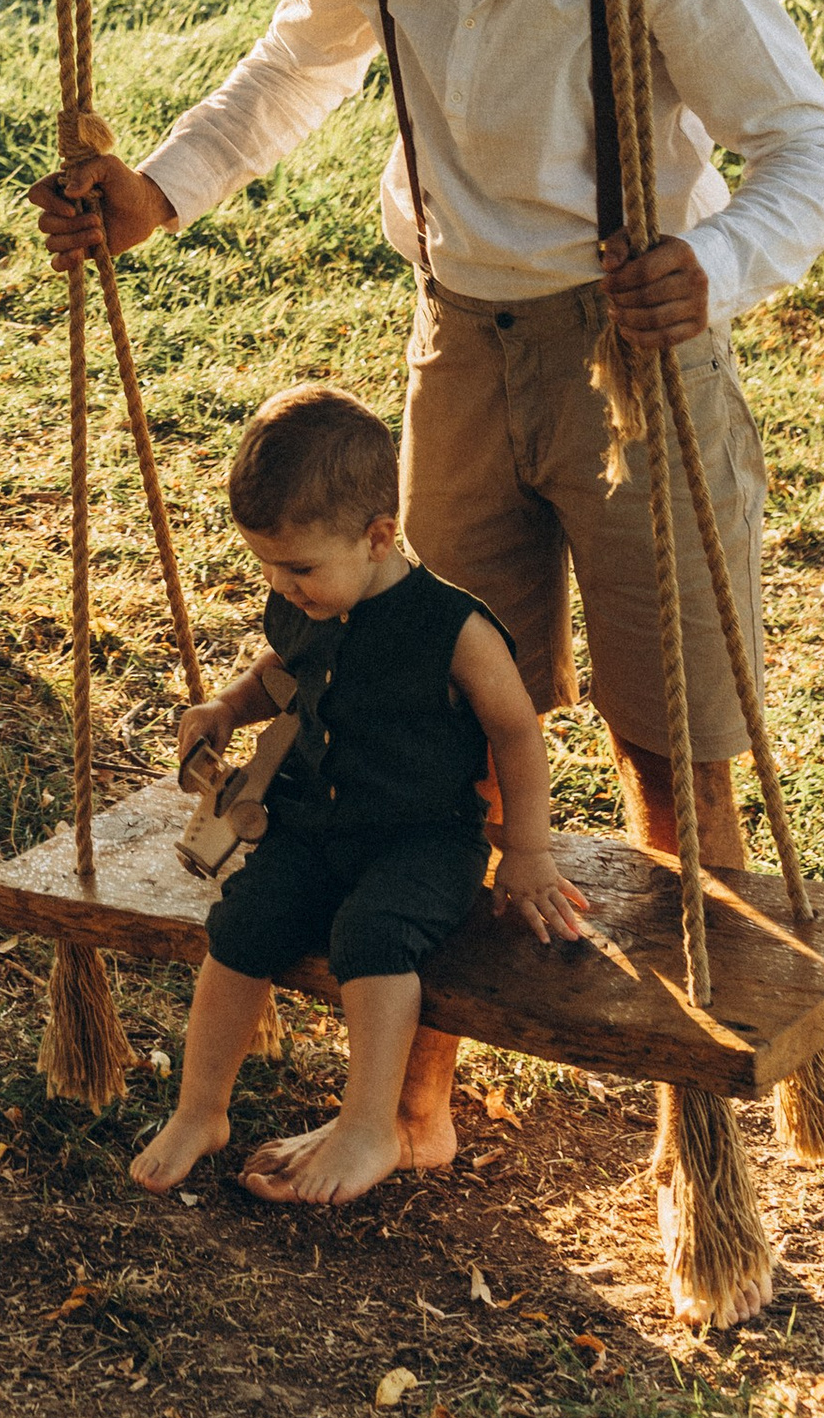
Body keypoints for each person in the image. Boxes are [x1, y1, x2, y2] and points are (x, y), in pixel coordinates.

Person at [33, 0, 824, 1213]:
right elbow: (304, 59)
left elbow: (807, 143)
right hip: (459, 334)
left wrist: (715, 263)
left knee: (665, 732)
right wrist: (162, 192)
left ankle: (703, 1141)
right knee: (437, 731)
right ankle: (415, 1102)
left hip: (632, 336)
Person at [134, 382, 588, 1206]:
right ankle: (201, 1108)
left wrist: (525, 851)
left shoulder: (452, 627)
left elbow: (517, 732)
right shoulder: (307, 601)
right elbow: (285, 671)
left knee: (371, 937)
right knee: (243, 922)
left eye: (299, 566)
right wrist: (229, 707)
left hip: (423, 840)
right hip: (314, 827)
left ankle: (371, 1122)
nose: (282, 583)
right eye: (266, 564)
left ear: (380, 536)